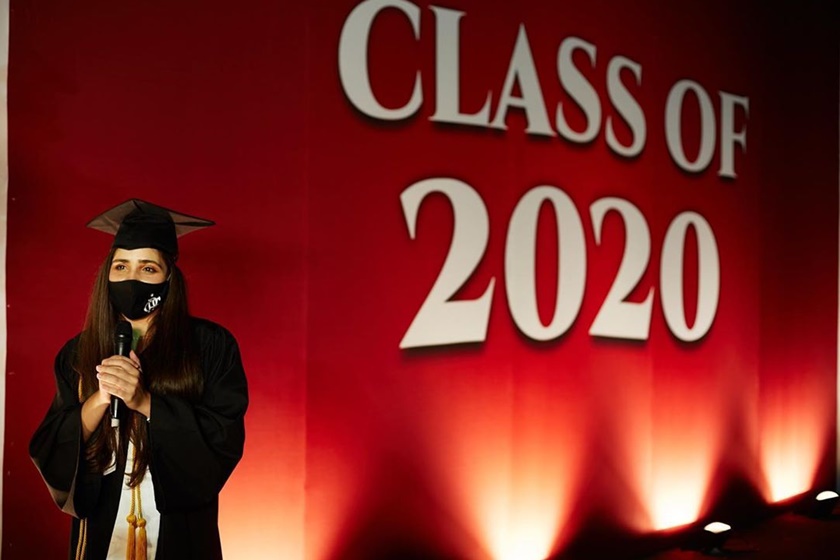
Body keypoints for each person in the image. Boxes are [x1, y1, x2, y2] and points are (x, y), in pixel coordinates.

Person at [30, 199, 249, 560]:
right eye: (121, 266)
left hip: (178, 531)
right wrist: (100, 398)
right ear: (107, 275)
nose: (132, 279)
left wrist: (145, 402)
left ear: (168, 278)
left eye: (148, 268)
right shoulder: (79, 352)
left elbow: (221, 442)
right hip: (103, 526)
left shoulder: (210, 346)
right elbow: (51, 445)